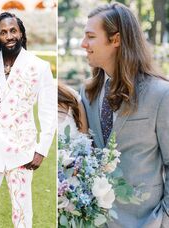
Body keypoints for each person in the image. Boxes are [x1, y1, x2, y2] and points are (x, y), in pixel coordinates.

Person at [79, 3, 169, 227]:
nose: (83, 44)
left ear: (116, 39)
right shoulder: (87, 93)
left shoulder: (161, 94)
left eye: (90, 36)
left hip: (146, 221)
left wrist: (162, 220)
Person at [0, 12, 56, 227]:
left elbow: (48, 112)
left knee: (22, 214)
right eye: (3, 32)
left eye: (13, 30)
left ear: (21, 33)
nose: (9, 36)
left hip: (22, 152)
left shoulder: (39, 67)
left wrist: (41, 149)